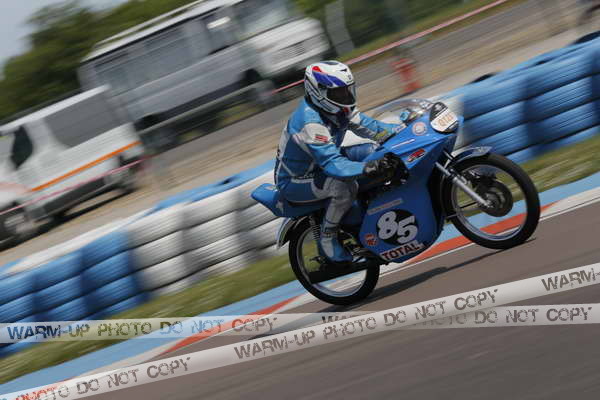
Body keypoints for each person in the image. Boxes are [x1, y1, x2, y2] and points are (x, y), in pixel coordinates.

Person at [274, 60, 408, 265]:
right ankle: (328, 238)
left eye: (347, 90)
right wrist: (368, 167)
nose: (345, 96)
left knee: (373, 152)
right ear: (319, 92)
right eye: (338, 93)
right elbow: (334, 165)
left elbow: (372, 129)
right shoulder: (310, 122)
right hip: (296, 180)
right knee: (343, 187)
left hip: (321, 163)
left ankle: (375, 212)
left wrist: (402, 131)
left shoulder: (338, 108)